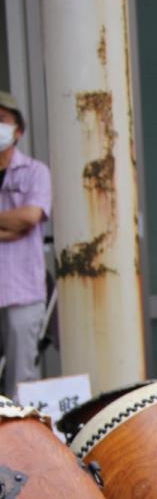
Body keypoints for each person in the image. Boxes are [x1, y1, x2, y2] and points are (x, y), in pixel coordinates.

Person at [0, 90, 52, 398]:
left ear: (18, 130)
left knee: (21, 381)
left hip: (23, 290)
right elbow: (19, 221)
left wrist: (21, 222)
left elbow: (31, 216)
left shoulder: (35, 172)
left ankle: (16, 443)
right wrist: (11, 225)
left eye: (2, 119)